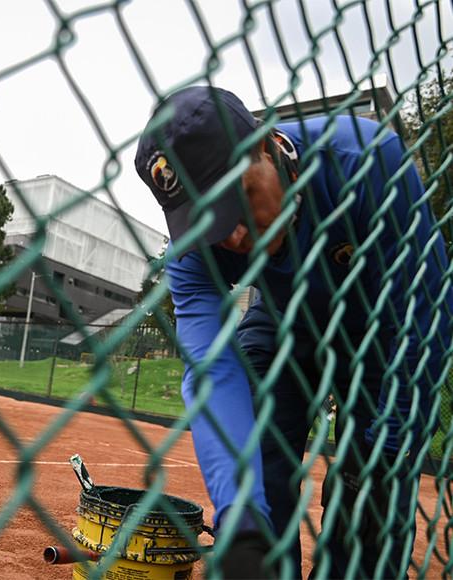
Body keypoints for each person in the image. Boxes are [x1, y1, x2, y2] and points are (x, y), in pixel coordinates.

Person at [134, 86, 452, 578]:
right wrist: (240, 517)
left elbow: (424, 314)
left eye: (237, 201)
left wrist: (388, 447)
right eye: (207, 224)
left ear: (266, 146)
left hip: (382, 331)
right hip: (286, 318)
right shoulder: (195, 252)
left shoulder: (368, 162)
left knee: (370, 509)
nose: (234, 236)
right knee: (260, 438)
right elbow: (211, 366)